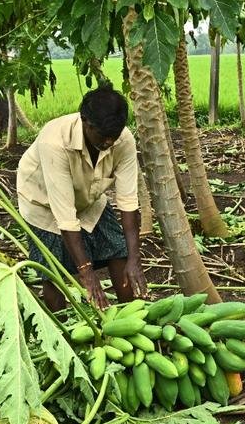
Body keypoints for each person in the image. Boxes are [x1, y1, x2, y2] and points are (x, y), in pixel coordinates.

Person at [16, 85, 148, 310]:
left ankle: (133, 312)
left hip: (90, 200)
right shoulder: (55, 142)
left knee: (119, 250)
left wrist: (135, 259)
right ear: (85, 121)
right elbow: (65, 217)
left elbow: (128, 202)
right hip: (44, 204)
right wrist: (87, 273)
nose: (108, 142)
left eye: (113, 137)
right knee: (53, 269)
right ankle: (61, 328)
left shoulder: (123, 140)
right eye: (103, 136)